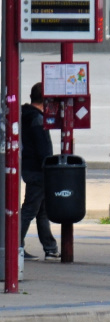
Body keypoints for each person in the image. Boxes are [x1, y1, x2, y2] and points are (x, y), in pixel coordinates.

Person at [19, 83, 59, 261]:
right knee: (30, 209)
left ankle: (50, 248)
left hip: (29, 167)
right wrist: (50, 166)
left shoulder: (25, 115)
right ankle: (15, 245)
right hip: (38, 170)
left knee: (42, 210)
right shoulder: (37, 119)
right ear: (46, 100)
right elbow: (43, 148)